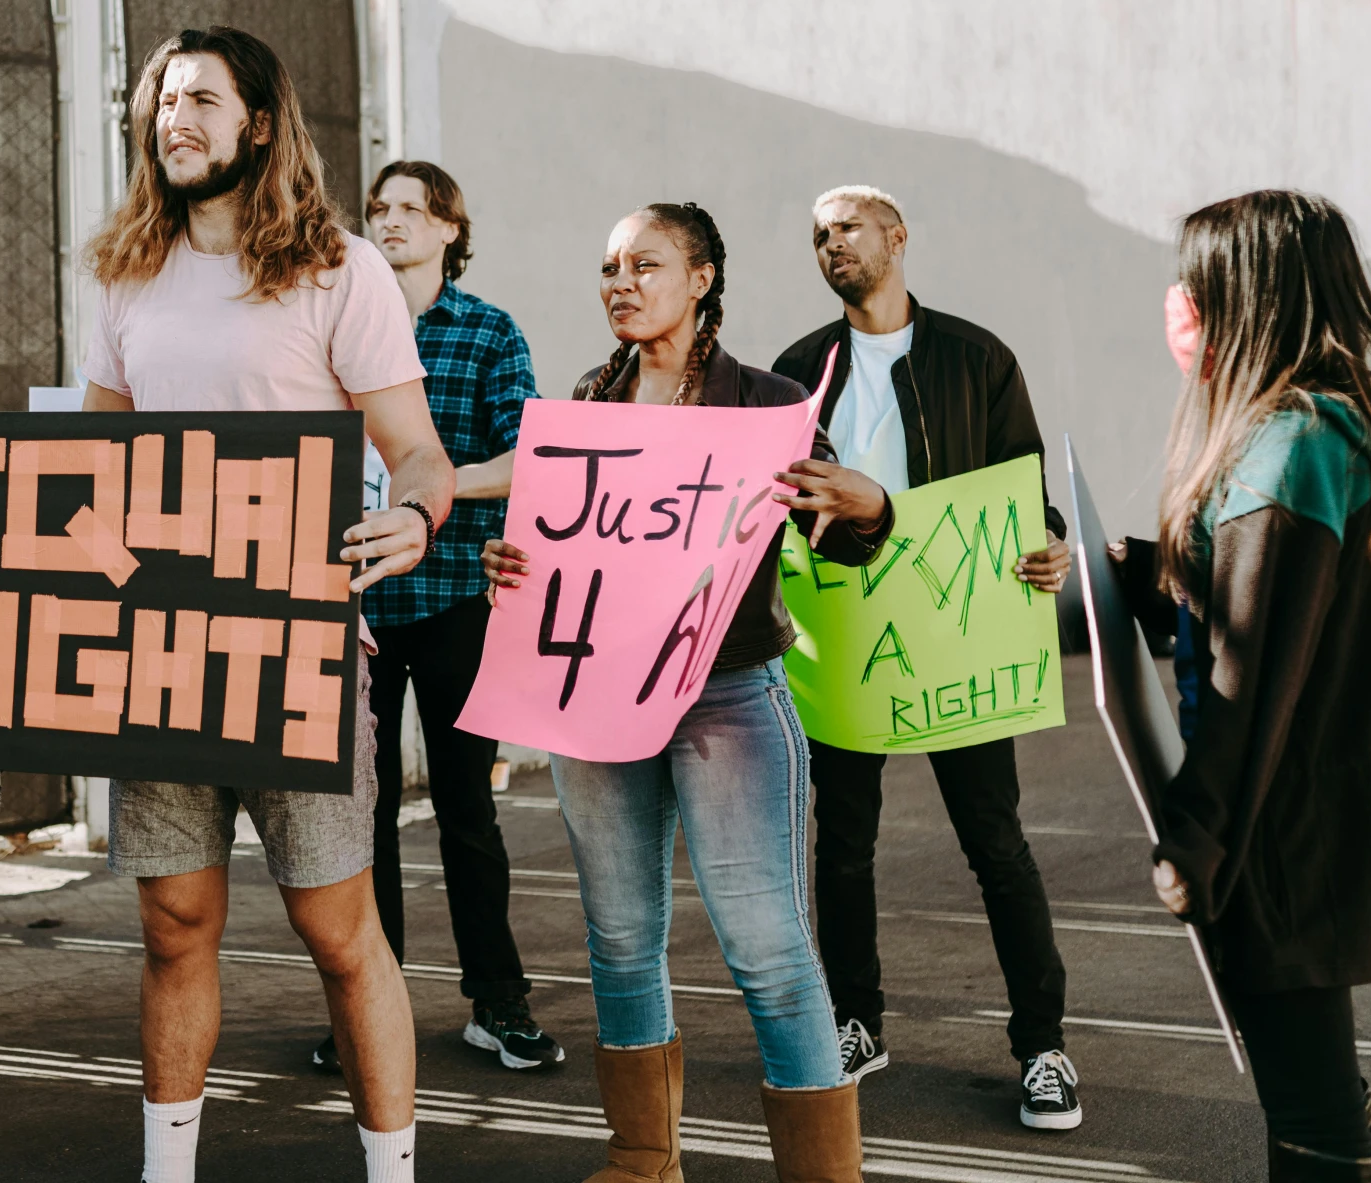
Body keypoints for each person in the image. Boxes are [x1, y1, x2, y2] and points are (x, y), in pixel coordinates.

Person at [0, 25, 454, 1183]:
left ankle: (392, 1173)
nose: (174, 118)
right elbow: (83, 471)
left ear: (259, 124)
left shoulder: (340, 268)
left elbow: (417, 452)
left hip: (303, 646)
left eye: (202, 100)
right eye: (163, 101)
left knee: (338, 934)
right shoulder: (125, 271)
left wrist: (417, 516)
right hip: (150, 654)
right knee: (174, 928)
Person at [482, 202, 893, 1183]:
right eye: (607, 265)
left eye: (644, 263)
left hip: (728, 701)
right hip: (600, 698)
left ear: (701, 277)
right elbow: (565, 546)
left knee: (769, 952)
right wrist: (518, 560)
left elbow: (846, 525)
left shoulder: (765, 400)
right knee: (620, 940)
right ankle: (641, 1160)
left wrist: (869, 502)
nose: (619, 281)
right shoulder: (588, 398)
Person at [1115, 190, 1371, 1182]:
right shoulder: (1336, 428)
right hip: (1320, 809)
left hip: (1278, 825)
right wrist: (1128, 571)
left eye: (1196, 280)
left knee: (1312, 1111)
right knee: (1317, 1089)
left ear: (1246, 292)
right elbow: (1259, 614)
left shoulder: (1283, 448)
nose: (1180, 301)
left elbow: (1248, 674)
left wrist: (1197, 839)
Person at [771, 185, 1081, 1129]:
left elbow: (1019, 485)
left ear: (897, 237)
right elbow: (779, 505)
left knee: (997, 844)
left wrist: (1051, 538)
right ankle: (857, 1021)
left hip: (960, 636)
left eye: (848, 230)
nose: (831, 246)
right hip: (848, 642)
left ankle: (1044, 1046)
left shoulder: (977, 356)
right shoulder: (796, 371)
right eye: (819, 235)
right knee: (845, 847)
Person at [324, 158, 556, 1075]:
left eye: (411, 211)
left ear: (451, 230)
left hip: (459, 595)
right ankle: (362, 1010)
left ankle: (497, 1003)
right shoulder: (339, 322)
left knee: (467, 810)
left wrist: (438, 490)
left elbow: (532, 448)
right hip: (358, 605)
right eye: (377, 209)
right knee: (361, 820)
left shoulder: (489, 331)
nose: (389, 223)